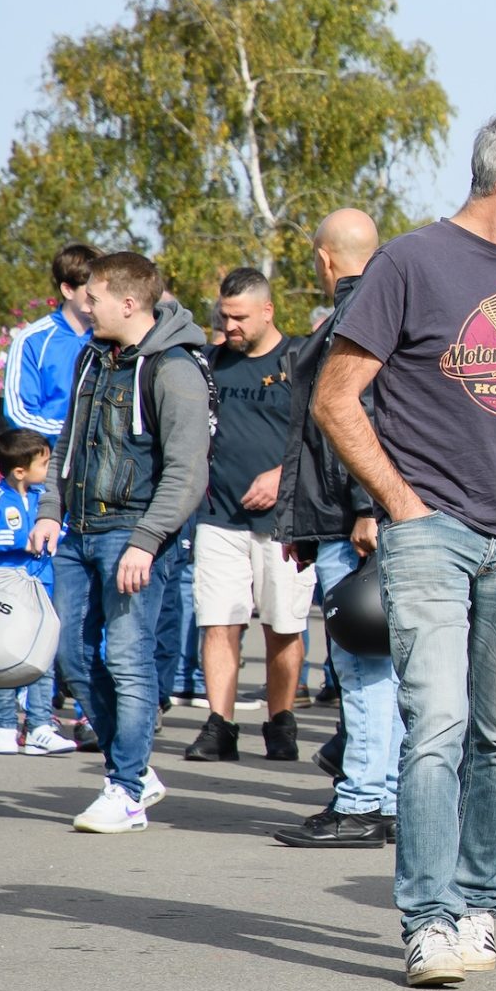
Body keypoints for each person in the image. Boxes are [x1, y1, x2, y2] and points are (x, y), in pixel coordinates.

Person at [312, 109, 496, 989]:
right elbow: (336, 398)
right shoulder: (410, 262)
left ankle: (478, 904)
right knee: (434, 725)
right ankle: (428, 919)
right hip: (433, 536)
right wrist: (404, 506)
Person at [47, 251, 209, 833]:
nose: (82, 305)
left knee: (129, 661)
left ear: (129, 302)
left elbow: (188, 473)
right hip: (78, 532)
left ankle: (125, 790)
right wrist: (50, 510)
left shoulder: (175, 369)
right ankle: (134, 771)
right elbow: (68, 441)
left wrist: (146, 540)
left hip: (132, 535)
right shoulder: (92, 359)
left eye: (93, 298)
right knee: (71, 657)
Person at [272, 209, 405, 849]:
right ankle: (380, 796)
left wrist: (362, 508)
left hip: (354, 520)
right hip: (345, 515)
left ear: (324, 259)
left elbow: (362, 417)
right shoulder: (378, 311)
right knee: (382, 666)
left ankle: (362, 802)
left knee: (363, 666)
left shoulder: (353, 317)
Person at [179, 267, 314, 765]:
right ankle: (220, 725)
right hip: (218, 515)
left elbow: (322, 437)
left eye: (239, 317)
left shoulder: (298, 360)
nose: (229, 325)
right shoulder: (211, 362)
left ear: (268, 311)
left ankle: (280, 721)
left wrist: (283, 475)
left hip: (285, 522)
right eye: (224, 315)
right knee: (219, 622)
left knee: (284, 625)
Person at [0, 428, 78, 754]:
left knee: (41, 661)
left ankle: (40, 726)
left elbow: (63, 529)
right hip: (3, 597)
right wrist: (21, 541)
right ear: (19, 470)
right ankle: (3, 727)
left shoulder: (46, 498)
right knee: (2, 661)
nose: (48, 470)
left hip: (41, 593)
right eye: (43, 464)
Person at [1, 243, 100, 441]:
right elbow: (19, 414)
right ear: (68, 290)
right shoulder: (32, 341)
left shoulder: (110, 339)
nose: (99, 299)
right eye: (91, 292)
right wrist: (76, 433)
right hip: (48, 463)